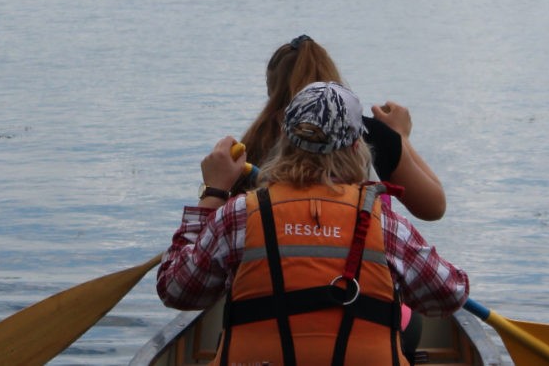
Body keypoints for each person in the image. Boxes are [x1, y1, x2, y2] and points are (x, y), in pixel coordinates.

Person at [157, 81, 470, 365]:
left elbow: (176, 290)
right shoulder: (384, 223)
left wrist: (213, 193)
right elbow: (451, 294)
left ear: (284, 138)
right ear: (355, 147)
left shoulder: (238, 215)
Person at [241, 35, 446, 221]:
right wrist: (400, 136)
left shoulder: (254, 142)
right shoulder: (368, 133)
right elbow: (433, 207)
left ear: (272, 91)